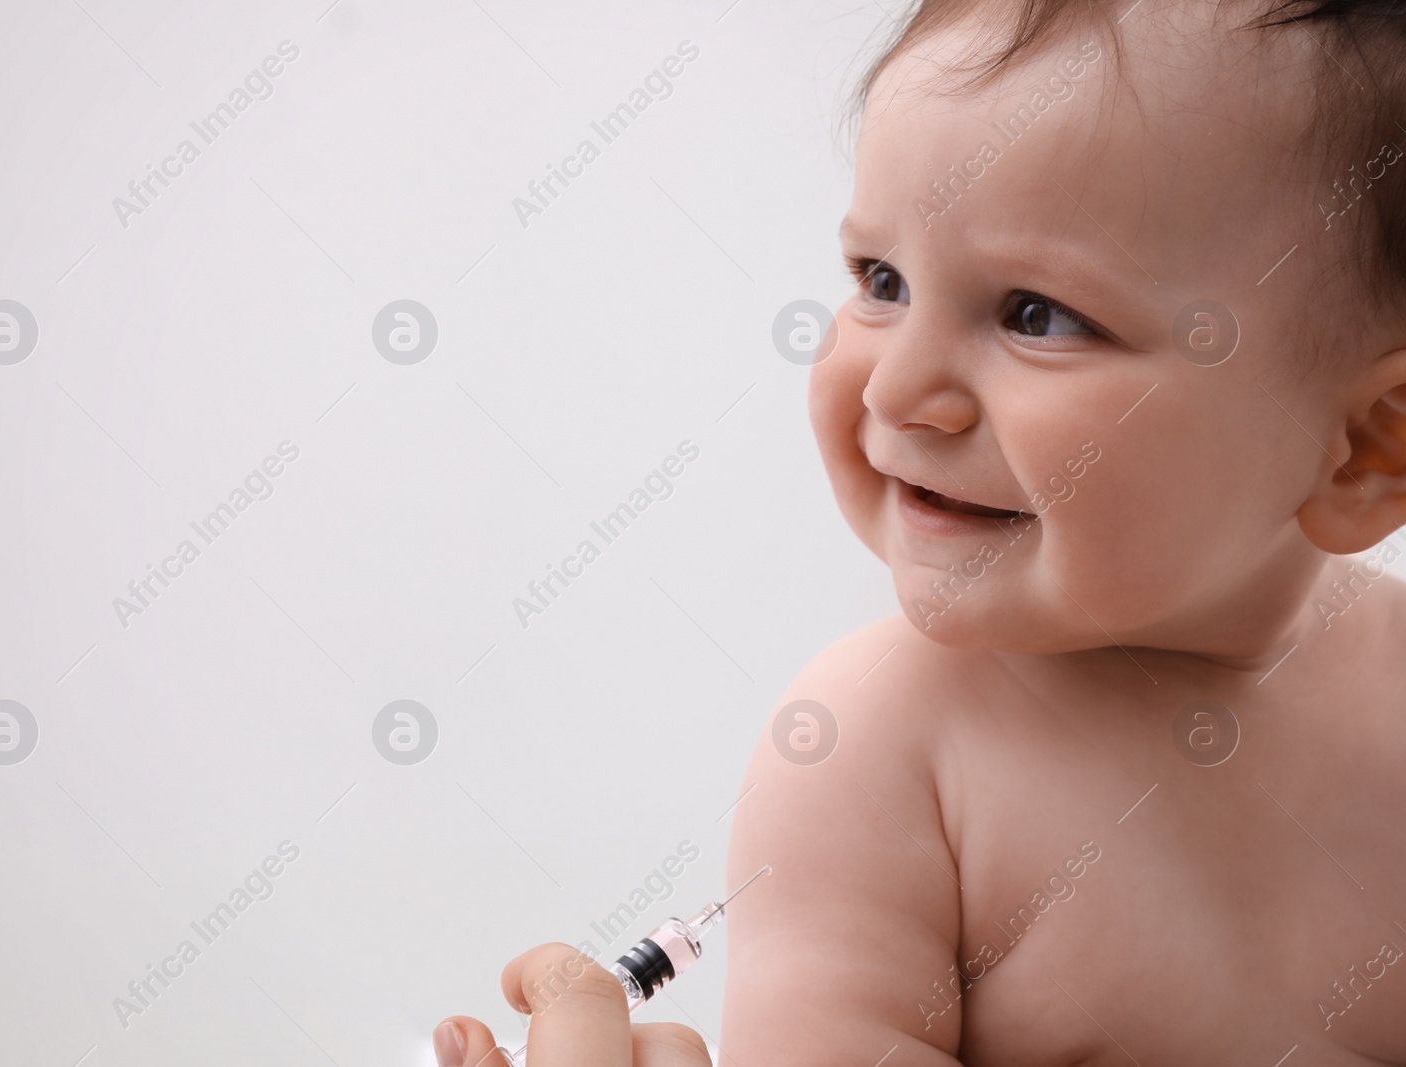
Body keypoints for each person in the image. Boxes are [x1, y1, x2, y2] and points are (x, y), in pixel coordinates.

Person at [438, 0, 1406, 1059]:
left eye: (1035, 314)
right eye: (880, 282)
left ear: (1364, 449)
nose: (899, 390)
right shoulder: (875, 748)